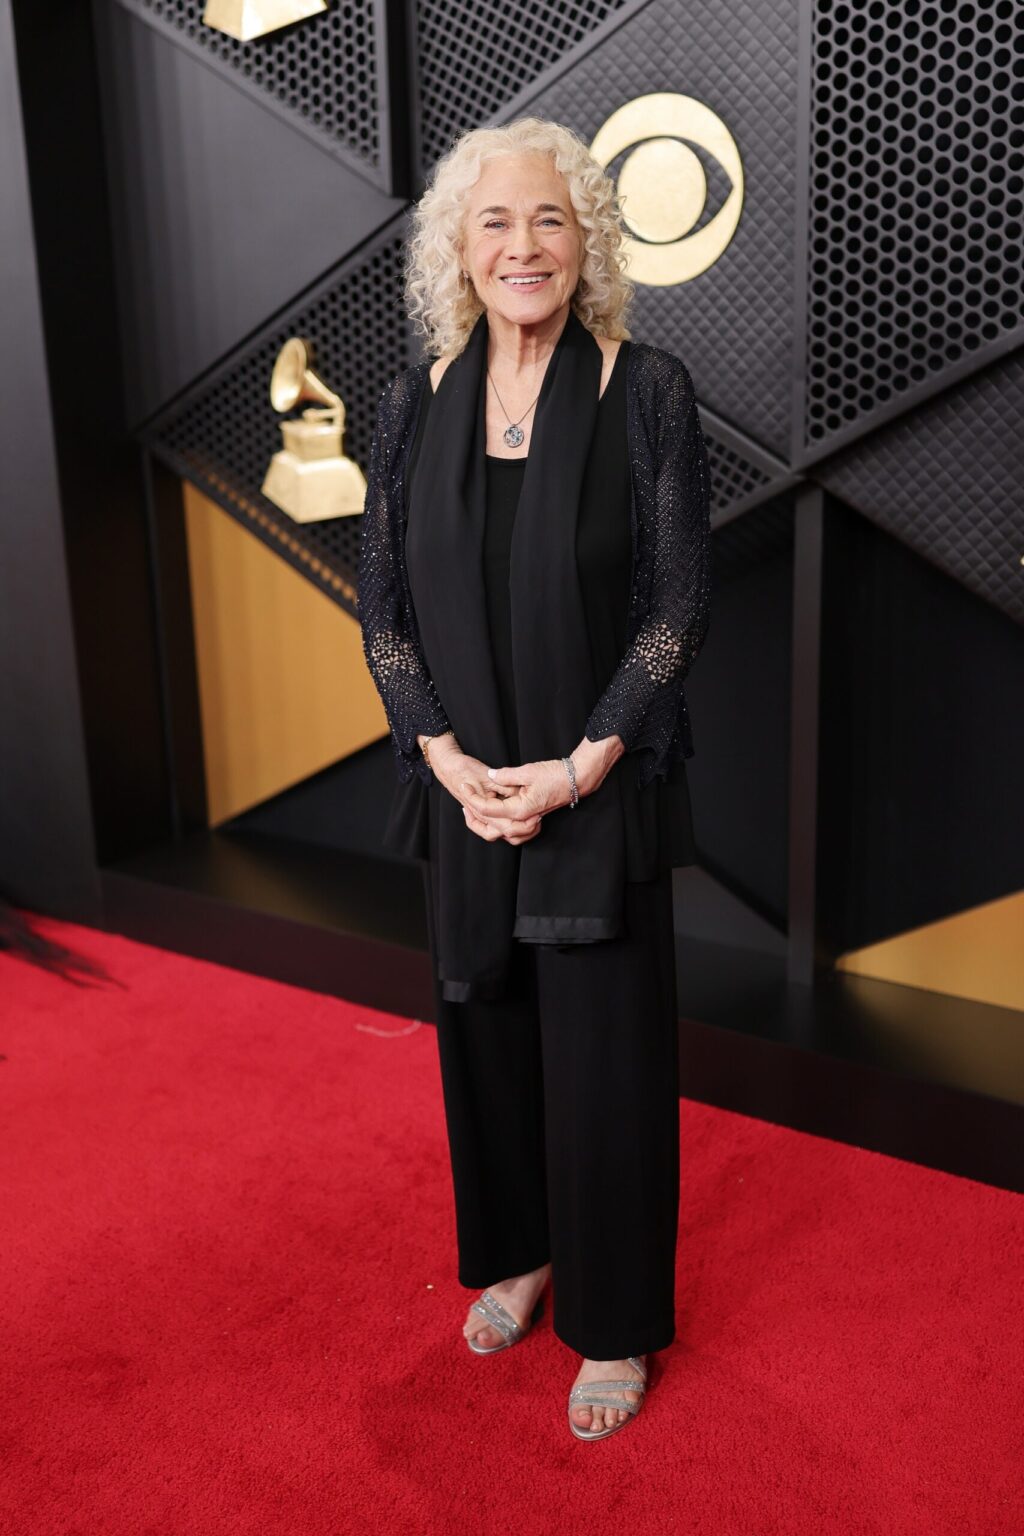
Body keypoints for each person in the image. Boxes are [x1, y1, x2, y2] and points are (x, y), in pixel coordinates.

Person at [358, 115, 711, 1441]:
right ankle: (519, 1254)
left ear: (588, 241)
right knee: (485, 1036)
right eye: (496, 221)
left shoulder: (647, 388)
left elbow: (678, 601)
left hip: (593, 782)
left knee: (608, 1064)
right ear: (459, 244)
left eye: (549, 219)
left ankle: (612, 1327)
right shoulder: (412, 403)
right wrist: (444, 756)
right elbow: (381, 601)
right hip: (466, 788)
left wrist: (577, 763)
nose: (523, 245)